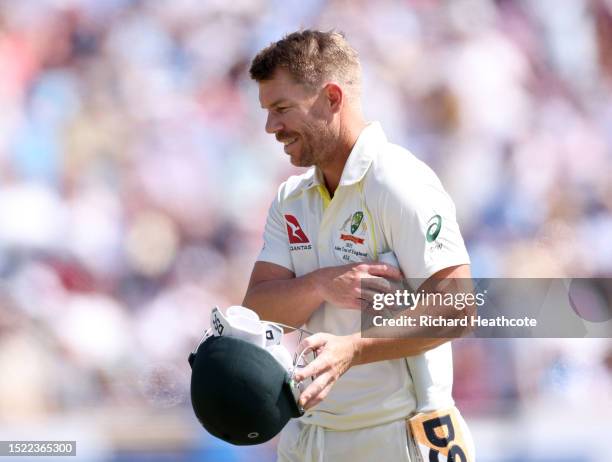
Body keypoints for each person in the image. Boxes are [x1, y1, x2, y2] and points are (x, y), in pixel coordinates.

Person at [243, 30, 473, 462]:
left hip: (404, 434)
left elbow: (458, 308)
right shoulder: (291, 198)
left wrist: (355, 349)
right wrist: (321, 285)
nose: (271, 127)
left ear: (331, 97)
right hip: (311, 437)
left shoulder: (399, 181)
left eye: (281, 109)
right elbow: (259, 308)